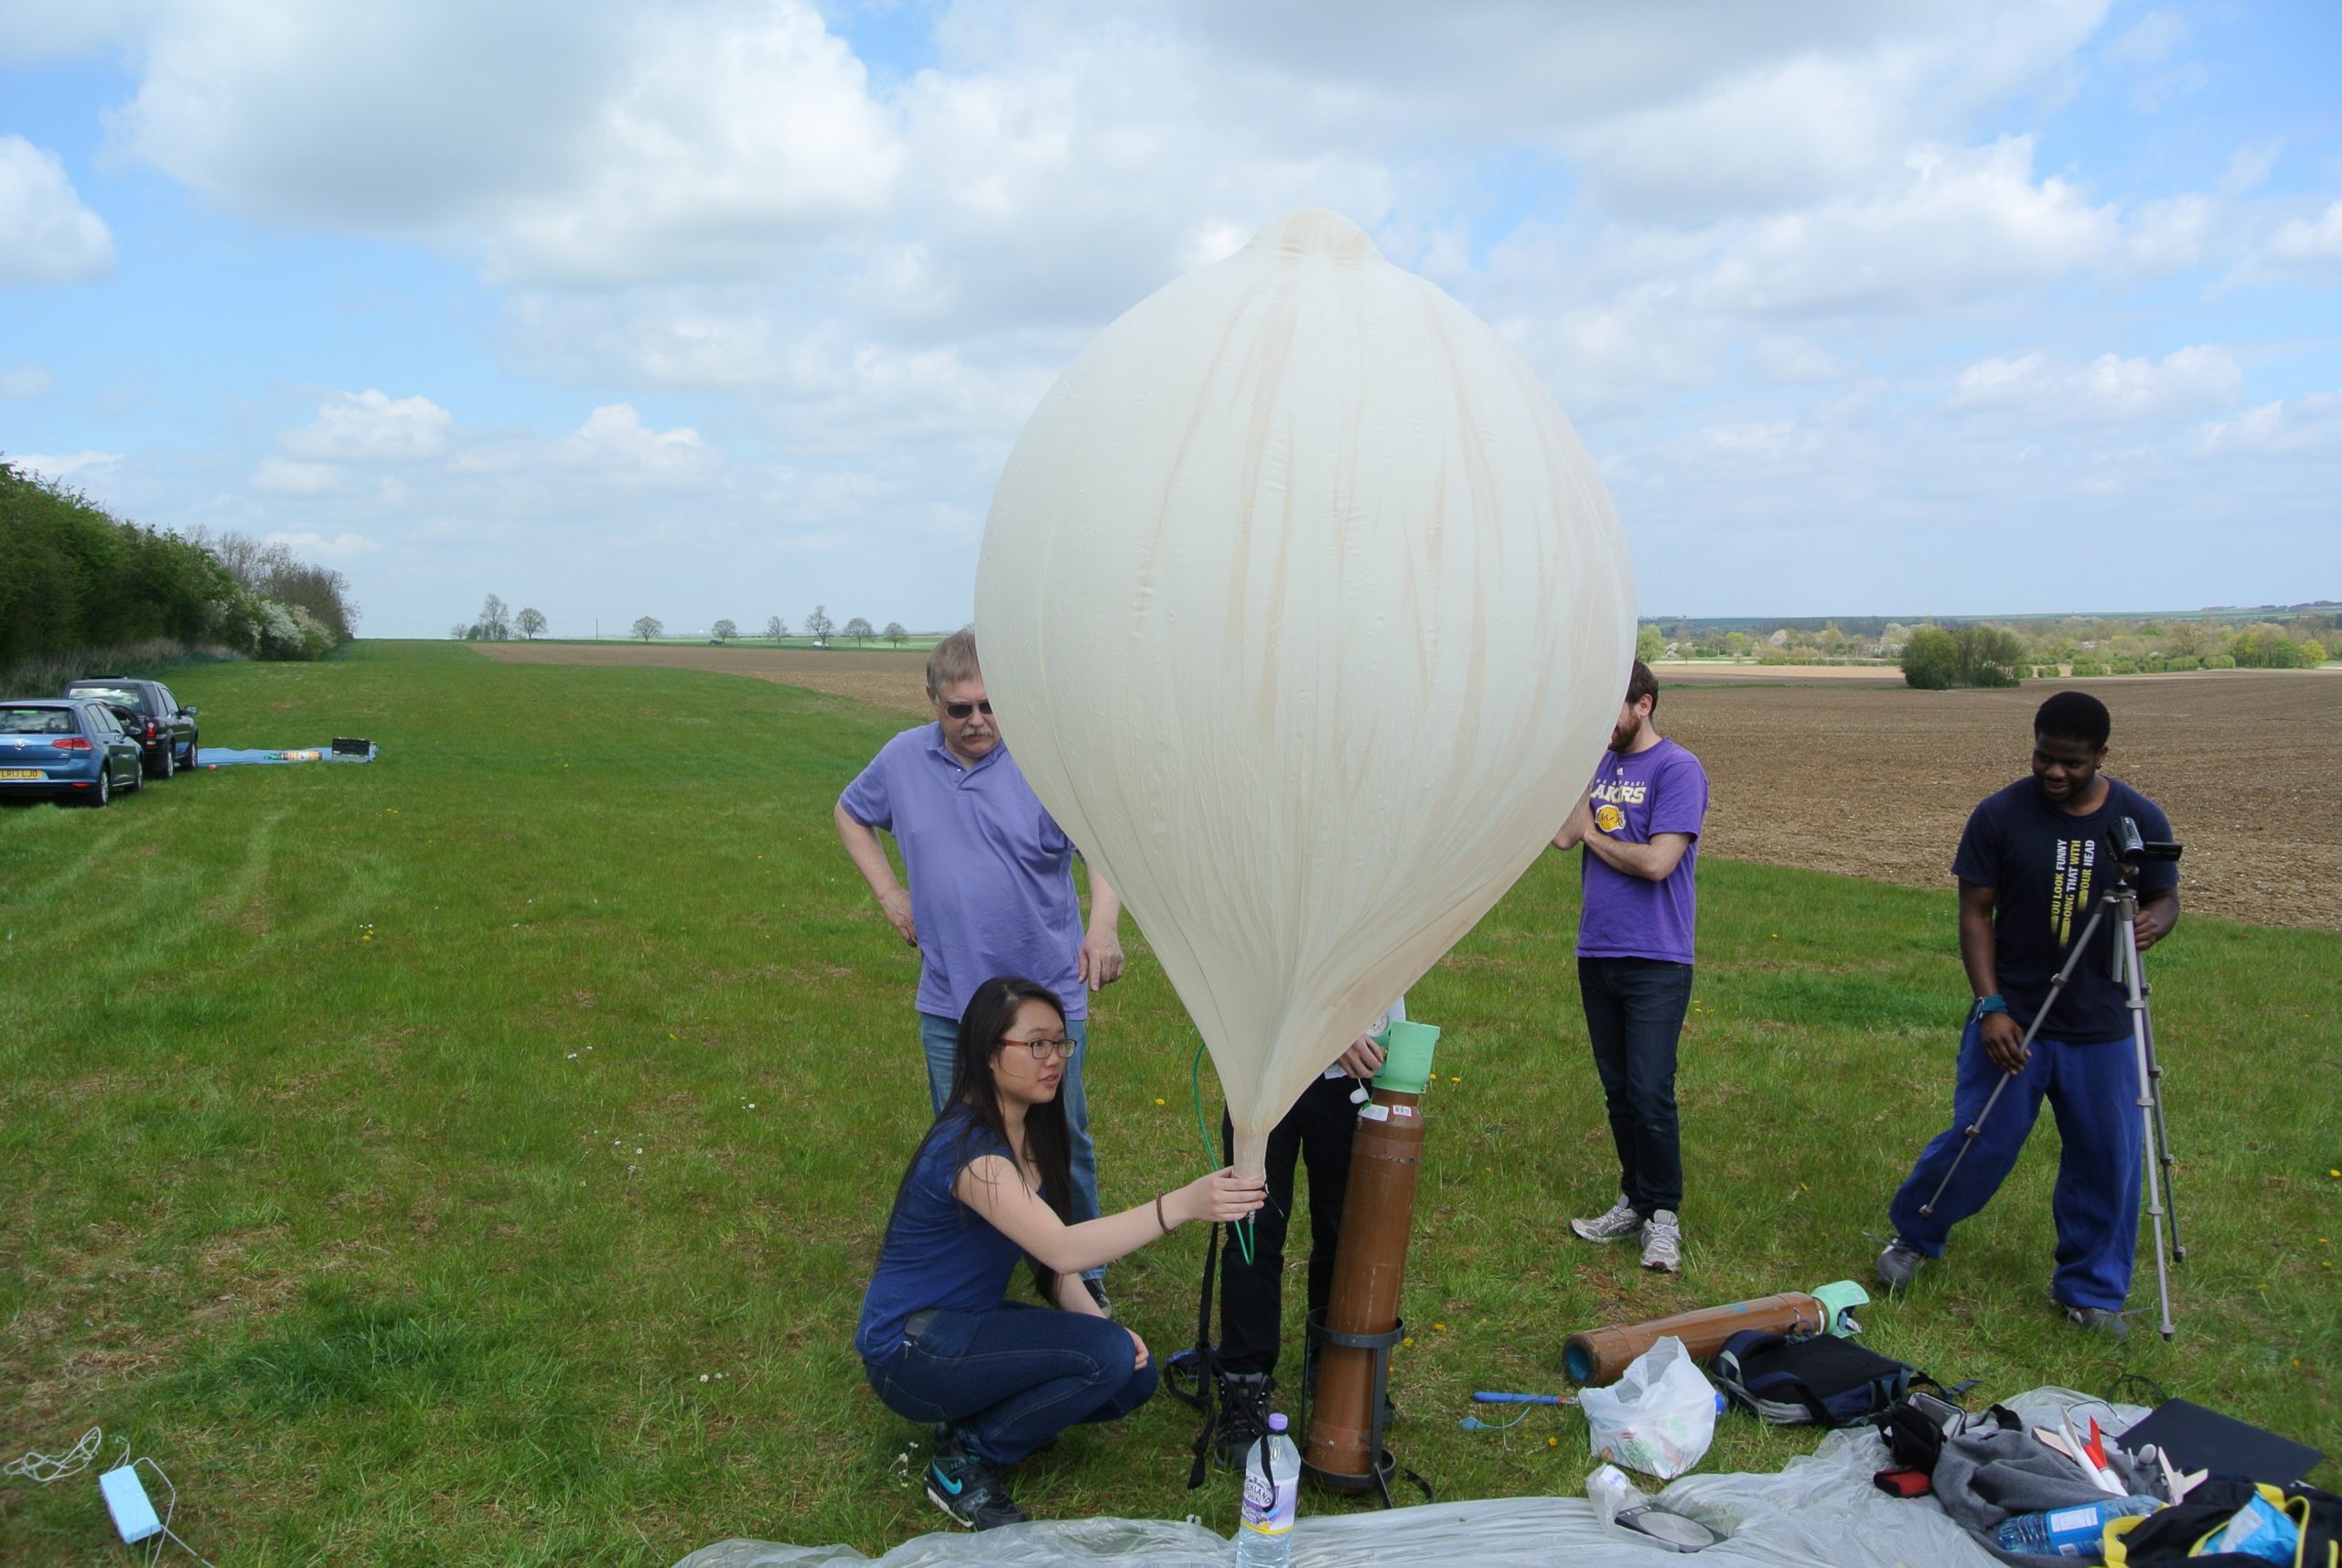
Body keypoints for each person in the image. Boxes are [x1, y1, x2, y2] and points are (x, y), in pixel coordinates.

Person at [857, 977, 1266, 1530]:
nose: (1054, 1060)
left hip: (959, 1328)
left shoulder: (1030, 1140)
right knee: (1108, 1358)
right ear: (987, 1052)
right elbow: (1065, 1249)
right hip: (909, 1349)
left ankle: (984, 1419)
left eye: (1060, 1043)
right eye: (1036, 1045)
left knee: (1130, 1372)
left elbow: (1050, 1268)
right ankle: (965, 1458)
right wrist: (1182, 1205)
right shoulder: (972, 1152)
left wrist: (1102, 1328)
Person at [1876, 691, 2180, 1339]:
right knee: (1980, 1139)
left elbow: (2166, 896)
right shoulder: (2000, 815)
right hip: (2014, 1017)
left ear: (2101, 755)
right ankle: (1914, 1234)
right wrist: (1990, 1007)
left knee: (2107, 1159)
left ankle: (2090, 1292)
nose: (2054, 772)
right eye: (2044, 756)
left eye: (2071, 762)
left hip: (2102, 1023)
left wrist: (2158, 920)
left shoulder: (2137, 817)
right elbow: (1974, 914)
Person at [836, 629, 1126, 1306]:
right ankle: (976, 1274)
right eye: (959, 709)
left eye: (990, 706)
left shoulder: (1046, 762)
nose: (976, 722)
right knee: (966, 1148)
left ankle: (1079, 1275)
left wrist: (1103, 924)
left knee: (1060, 1140)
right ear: (932, 700)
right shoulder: (901, 759)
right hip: (951, 1002)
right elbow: (852, 814)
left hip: (1043, 1000)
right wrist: (890, 894)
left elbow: (1104, 846)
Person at [1552, 659, 1709, 1273]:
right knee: (1619, 1092)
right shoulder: (1597, 764)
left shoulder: (1678, 769)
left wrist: (1594, 833)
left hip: (1657, 957)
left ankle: (1664, 1216)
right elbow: (1563, 836)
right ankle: (1635, 1201)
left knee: (1649, 1090)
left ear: (1643, 704)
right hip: (1599, 950)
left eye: (1609, 709)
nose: (1603, 723)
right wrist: (1574, 763)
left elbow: (1657, 863)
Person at [1209, 997, 1407, 1464]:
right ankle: (1245, 1382)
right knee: (1253, 1223)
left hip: (1352, 1071)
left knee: (1348, 1227)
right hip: (1266, 1060)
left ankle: (1341, 1371)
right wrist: (1328, 1031)